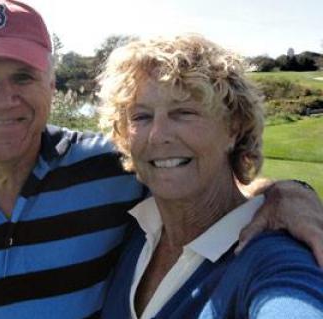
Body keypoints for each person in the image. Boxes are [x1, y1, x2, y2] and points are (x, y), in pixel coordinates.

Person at [0, 1, 322, 318]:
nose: (3, 98)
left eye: (24, 76)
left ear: (52, 84)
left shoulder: (108, 170)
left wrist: (286, 194)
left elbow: (203, 187)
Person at [99, 34, 323, 318]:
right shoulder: (132, 229)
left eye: (184, 112)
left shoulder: (271, 259)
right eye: (141, 117)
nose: (158, 135)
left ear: (234, 127)